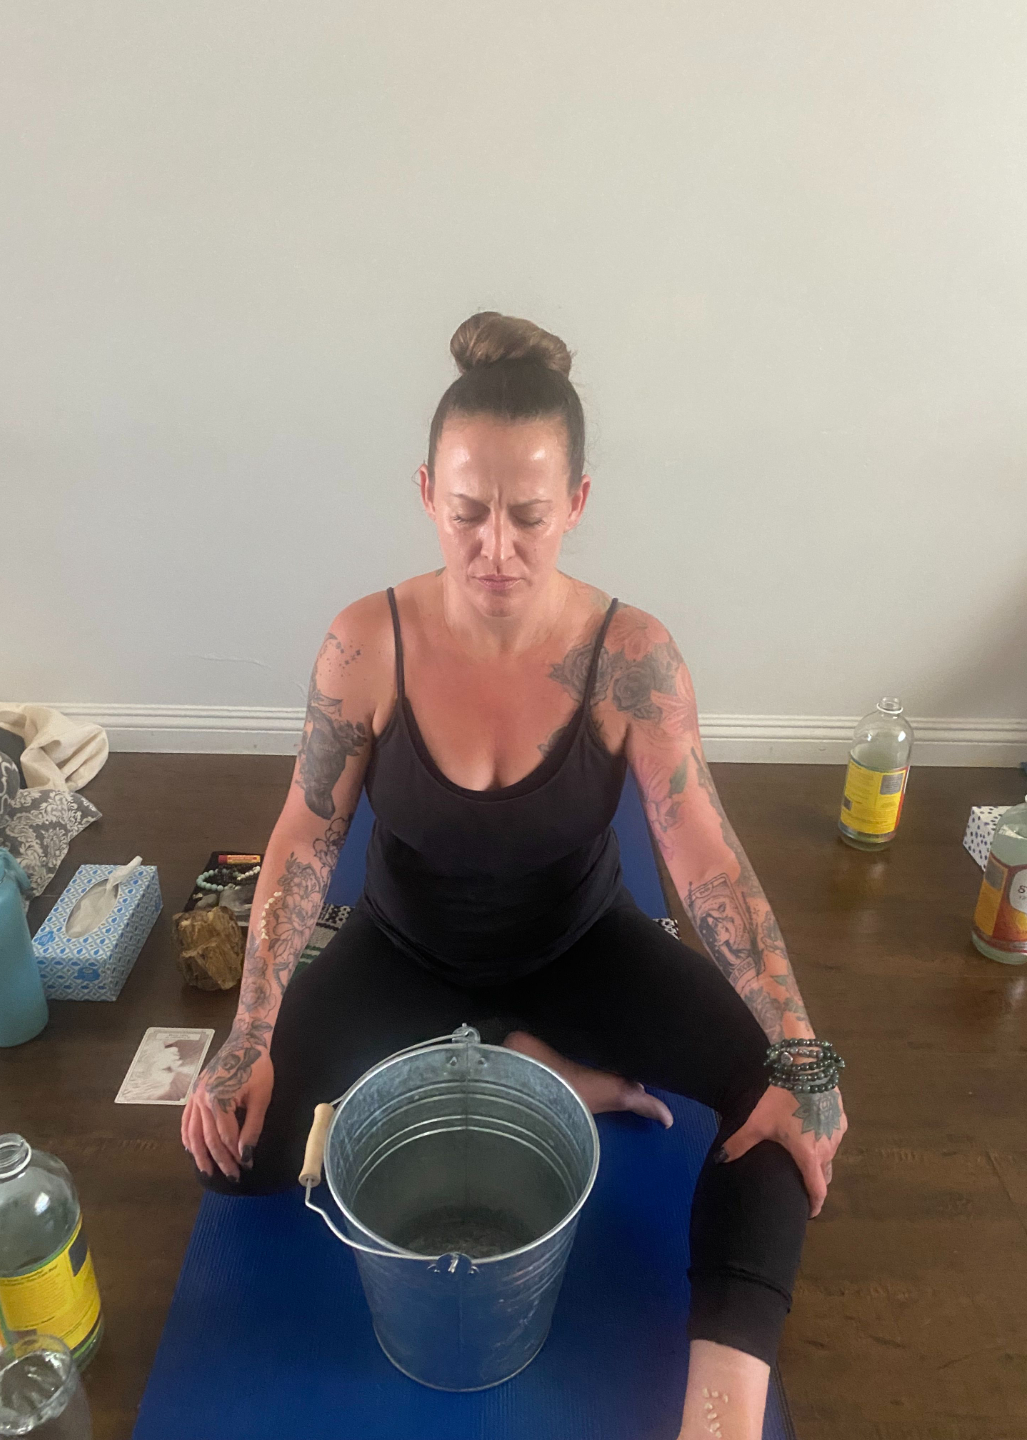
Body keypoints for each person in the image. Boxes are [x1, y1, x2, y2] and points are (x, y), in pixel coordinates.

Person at [182, 312, 847, 1440]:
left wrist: (802, 1046)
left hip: (580, 944)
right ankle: (535, 1065)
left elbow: (705, 855)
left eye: (529, 516)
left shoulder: (631, 656)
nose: (496, 547)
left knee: (782, 1109)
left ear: (576, 503)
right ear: (425, 494)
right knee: (230, 1156)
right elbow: (303, 837)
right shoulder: (366, 643)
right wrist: (250, 1035)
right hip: (405, 947)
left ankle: (718, 1416)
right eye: (467, 512)